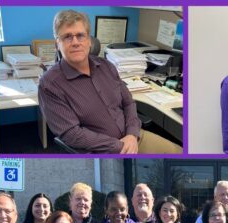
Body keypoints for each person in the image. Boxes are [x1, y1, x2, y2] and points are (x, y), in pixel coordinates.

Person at [38, 10, 181, 154]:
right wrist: (119, 146)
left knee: (181, 153)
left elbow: (128, 102)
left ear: (89, 41)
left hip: (135, 138)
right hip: (101, 151)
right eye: (67, 37)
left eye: (80, 35)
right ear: (58, 43)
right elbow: (71, 134)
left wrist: (131, 134)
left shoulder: (106, 66)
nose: (75, 42)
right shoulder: (50, 84)